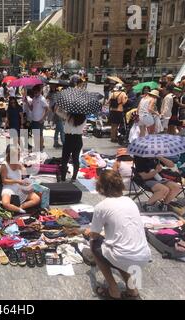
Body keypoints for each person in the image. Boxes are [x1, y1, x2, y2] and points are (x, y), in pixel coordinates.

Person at [88, 170, 151, 300]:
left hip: (123, 256)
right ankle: (132, 290)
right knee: (120, 250)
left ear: (101, 187)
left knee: (94, 244)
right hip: (143, 255)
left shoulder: (102, 206)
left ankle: (113, 290)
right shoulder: (130, 201)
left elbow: (94, 235)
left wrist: (88, 232)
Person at [0, 145, 41, 214]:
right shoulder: (4, 165)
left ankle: (19, 207)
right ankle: (20, 210)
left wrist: (24, 172)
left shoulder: (18, 163)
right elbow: (4, 181)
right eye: (16, 155)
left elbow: (24, 173)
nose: (18, 157)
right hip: (9, 188)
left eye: (18, 155)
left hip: (19, 188)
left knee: (37, 199)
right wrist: (17, 181)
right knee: (5, 203)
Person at [56, 107, 87, 182]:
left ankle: (63, 177)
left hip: (68, 139)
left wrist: (59, 105)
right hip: (78, 139)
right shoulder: (84, 118)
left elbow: (57, 111)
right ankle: (74, 177)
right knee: (75, 159)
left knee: (65, 159)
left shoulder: (68, 116)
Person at [23, 85, 49, 150]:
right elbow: (31, 108)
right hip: (34, 120)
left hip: (39, 120)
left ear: (40, 91)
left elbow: (47, 109)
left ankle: (40, 148)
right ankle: (38, 147)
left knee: (40, 135)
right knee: (35, 135)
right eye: (34, 92)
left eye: (36, 92)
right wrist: (27, 102)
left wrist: (43, 118)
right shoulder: (34, 98)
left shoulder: (42, 99)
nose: (35, 94)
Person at [46, 83, 64, 148]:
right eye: (51, 86)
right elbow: (47, 98)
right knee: (61, 130)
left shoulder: (58, 93)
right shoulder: (50, 93)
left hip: (58, 112)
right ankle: (63, 142)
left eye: (53, 86)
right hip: (55, 112)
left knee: (58, 129)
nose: (52, 87)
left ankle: (55, 143)